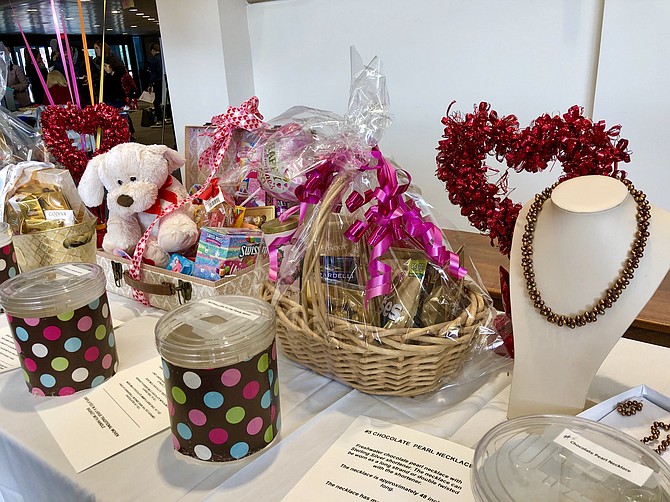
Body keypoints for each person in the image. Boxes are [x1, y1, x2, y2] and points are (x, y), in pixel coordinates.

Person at [147, 42, 170, 127]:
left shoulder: (153, 59)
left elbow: (153, 73)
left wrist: (150, 84)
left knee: (157, 101)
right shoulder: (163, 58)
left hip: (157, 81)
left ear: (153, 50)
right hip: (165, 81)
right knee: (166, 99)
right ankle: (169, 116)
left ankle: (160, 119)